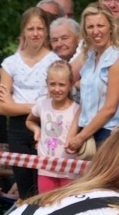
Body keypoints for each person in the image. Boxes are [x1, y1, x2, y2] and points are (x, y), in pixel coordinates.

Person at [0, 7, 57, 199]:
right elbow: (1, 107)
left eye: (40, 28)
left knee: (44, 186)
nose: (35, 33)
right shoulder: (11, 63)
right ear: (23, 31)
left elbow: (53, 102)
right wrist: (36, 105)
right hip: (17, 128)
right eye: (31, 29)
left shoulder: (54, 62)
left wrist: (16, 105)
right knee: (24, 187)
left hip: (47, 125)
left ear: (46, 31)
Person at [69, 4, 119, 155]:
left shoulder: (117, 59)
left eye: (100, 25)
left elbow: (110, 108)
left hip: (107, 134)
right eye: (90, 26)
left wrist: (80, 137)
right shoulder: (89, 58)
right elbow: (84, 103)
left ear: (111, 27)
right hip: (86, 133)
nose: (95, 31)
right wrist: (71, 135)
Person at [27, 60, 81, 195]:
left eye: (62, 85)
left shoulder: (77, 110)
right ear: (47, 84)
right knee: (45, 204)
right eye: (52, 84)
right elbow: (30, 120)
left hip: (69, 170)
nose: (57, 89)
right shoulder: (42, 106)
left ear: (70, 84)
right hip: (46, 168)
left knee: (66, 206)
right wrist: (36, 129)